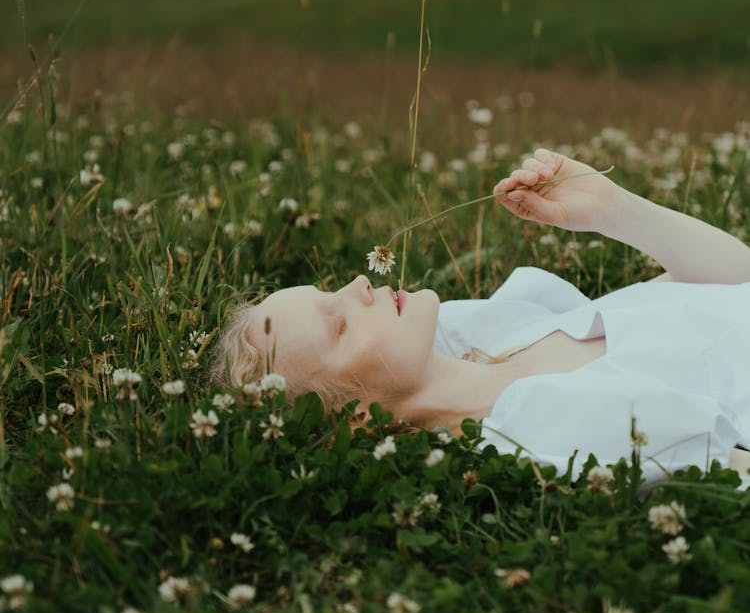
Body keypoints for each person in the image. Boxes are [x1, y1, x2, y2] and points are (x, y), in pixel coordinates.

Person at [212, 148, 750, 487]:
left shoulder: (492, 329)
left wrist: (611, 210)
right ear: (357, 419)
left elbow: (735, 280)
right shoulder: (536, 429)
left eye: (330, 289)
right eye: (339, 324)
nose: (358, 284)